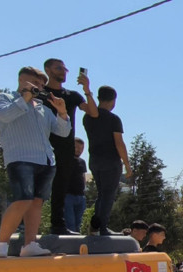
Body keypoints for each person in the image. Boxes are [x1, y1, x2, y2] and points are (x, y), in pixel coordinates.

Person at [0, 67, 71, 258]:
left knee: (36, 203)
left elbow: (63, 132)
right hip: (20, 158)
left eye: (41, 85)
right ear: (21, 80)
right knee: (23, 199)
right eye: (34, 82)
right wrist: (24, 98)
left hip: (46, 160)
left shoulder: (43, 108)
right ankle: (1, 244)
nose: (38, 87)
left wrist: (62, 112)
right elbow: (4, 116)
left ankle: (30, 244)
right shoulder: (4, 98)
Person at [42, 58, 98, 235]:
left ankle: (58, 225)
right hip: (41, 146)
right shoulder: (40, 93)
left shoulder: (72, 95)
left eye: (65, 69)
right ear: (48, 70)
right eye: (58, 68)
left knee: (60, 188)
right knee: (35, 188)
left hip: (65, 148)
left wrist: (87, 89)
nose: (63, 71)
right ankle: (24, 226)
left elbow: (93, 112)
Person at [82, 85, 132, 235]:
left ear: (99, 98)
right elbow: (119, 143)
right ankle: (102, 228)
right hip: (110, 161)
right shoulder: (113, 119)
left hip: (94, 160)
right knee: (108, 196)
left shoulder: (87, 118)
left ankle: (95, 227)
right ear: (113, 100)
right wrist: (127, 165)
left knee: (101, 195)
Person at [63, 137, 87, 233]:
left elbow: (83, 176)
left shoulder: (82, 162)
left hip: (80, 196)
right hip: (68, 195)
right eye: (76, 147)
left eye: (81, 148)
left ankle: (77, 240)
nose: (79, 150)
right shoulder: (65, 160)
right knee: (70, 223)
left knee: (78, 223)